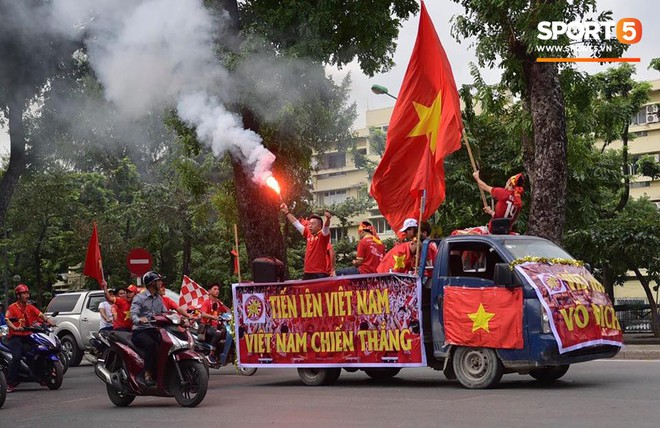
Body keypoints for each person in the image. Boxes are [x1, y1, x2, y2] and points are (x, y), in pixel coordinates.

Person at [4, 284, 56, 392]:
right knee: (17, 357)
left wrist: (48, 320)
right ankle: (10, 382)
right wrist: (14, 327)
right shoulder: (12, 307)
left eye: (27, 293)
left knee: (39, 351)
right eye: (24, 293)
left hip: (28, 335)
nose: (26, 295)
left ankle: (41, 377)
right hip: (15, 337)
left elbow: (40, 314)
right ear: (18, 296)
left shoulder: (29, 307)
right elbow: (7, 319)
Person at [130, 271, 166, 387]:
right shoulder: (139, 298)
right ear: (151, 283)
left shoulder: (159, 298)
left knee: (166, 344)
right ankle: (147, 375)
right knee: (151, 345)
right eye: (158, 281)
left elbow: (165, 312)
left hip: (154, 330)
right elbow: (133, 314)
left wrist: (178, 318)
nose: (161, 283)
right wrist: (139, 319)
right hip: (140, 331)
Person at [280, 203, 332, 280]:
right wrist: (287, 212)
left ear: (319, 226)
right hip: (307, 272)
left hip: (319, 272)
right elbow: (296, 223)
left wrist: (327, 219)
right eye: (309, 224)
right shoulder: (308, 233)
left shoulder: (323, 235)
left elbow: (326, 227)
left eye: (313, 224)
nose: (310, 226)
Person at [199, 283, 232, 366]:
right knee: (218, 332)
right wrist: (213, 317)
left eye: (218, 289)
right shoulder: (206, 303)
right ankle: (211, 354)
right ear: (209, 291)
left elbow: (226, 310)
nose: (217, 291)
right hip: (207, 326)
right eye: (215, 289)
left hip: (216, 325)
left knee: (226, 332)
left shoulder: (218, 303)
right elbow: (203, 314)